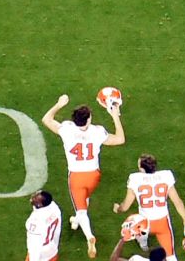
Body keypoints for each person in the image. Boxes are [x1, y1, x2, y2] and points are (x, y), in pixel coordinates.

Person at [41, 94, 125, 257]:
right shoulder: (97, 132)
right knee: (83, 200)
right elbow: (120, 139)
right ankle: (76, 221)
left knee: (81, 210)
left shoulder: (66, 129)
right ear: (88, 120)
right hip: (94, 175)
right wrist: (115, 117)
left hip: (77, 177)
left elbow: (46, 119)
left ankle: (89, 236)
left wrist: (58, 105)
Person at [113, 154, 185, 261]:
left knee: (138, 227)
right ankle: (145, 244)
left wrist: (118, 208)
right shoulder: (165, 176)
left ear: (142, 168)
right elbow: (177, 201)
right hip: (163, 222)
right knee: (171, 256)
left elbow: (125, 206)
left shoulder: (135, 179)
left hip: (144, 223)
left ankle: (143, 245)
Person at [25, 190, 63, 261]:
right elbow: (57, 231)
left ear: (40, 205)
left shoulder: (35, 222)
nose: (33, 197)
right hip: (52, 250)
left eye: (36, 198)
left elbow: (35, 248)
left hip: (40, 253)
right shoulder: (54, 207)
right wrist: (55, 246)